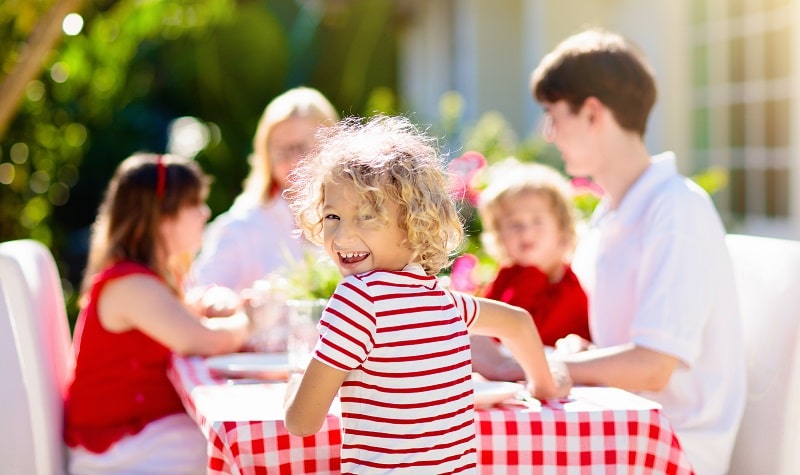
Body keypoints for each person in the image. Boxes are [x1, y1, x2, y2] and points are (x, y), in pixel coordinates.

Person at [282, 115, 571, 474]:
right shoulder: (442, 300)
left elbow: (302, 423)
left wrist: (295, 385)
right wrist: (544, 385)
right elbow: (518, 323)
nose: (340, 237)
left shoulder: (357, 299)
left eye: (368, 216)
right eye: (332, 217)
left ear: (414, 220)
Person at [529, 28, 745, 475]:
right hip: (619, 426)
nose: (549, 134)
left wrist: (537, 364)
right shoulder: (611, 213)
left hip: (673, 448)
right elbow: (616, 351)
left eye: (554, 115)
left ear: (592, 112)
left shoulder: (677, 208)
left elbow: (651, 366)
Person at [64, 153, 252, 475]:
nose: (205, 213)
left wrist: (209, 306)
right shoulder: (130, 284)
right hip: (117, 448)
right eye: (195, 205)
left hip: (141, 433)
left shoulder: (144, 278)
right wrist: (248, 321)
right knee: (233, 452)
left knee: (228, 444)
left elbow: (184, 318)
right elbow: (202, 341)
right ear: (162, 217)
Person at [191, 86, 339, 292]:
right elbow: (203, 290)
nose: (293, 160)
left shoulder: (359, 213)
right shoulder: (243, 225)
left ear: (332, 144)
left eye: (302, 147)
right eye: (280, 150)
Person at [469, 159, 590, 382]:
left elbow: (525, 334)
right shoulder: (507, 275)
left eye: (537, 221)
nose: (526, 232)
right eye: (514, 224)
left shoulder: (568, 288)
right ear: (499, 235)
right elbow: (484, 328)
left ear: (561, 228)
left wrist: (531, 275)